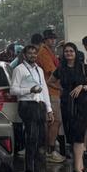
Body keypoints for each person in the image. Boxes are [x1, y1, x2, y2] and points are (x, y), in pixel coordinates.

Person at [53, 42, 87, 172]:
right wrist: (62, 90)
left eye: (71, 51)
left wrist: (82, 87)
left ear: (75, 53)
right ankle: (79, 164)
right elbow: (50, 81)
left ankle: (77, 167)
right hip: (66, 104)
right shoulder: (61, 69)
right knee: (71, 135)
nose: (69, 53)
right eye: (66, 51)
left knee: (78, 133)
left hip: (82, 104)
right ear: (63, 54)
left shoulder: (84, 68)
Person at [10, 43, 53, 172]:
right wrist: (29, 90)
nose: (33, 55)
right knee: (32, 138)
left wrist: (49, 109)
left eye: (35, 53)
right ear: (24, 55)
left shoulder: (39, 69)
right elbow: (13, 90)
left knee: (41, 139)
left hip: (39, 105)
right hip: (27, 105)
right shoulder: (19, 69)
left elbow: (44, 89)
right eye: (30, 53)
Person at [36, 29, 64, 163]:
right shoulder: (43, 52)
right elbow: (53, 72)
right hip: (50, 92)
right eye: (50, 38)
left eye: (54, 38)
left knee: (52, 122)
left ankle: (49, 149)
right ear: (45, 40)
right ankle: (50, 151)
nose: (53, 40)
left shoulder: (49, 52)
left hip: (53, 91)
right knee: (54, 122)